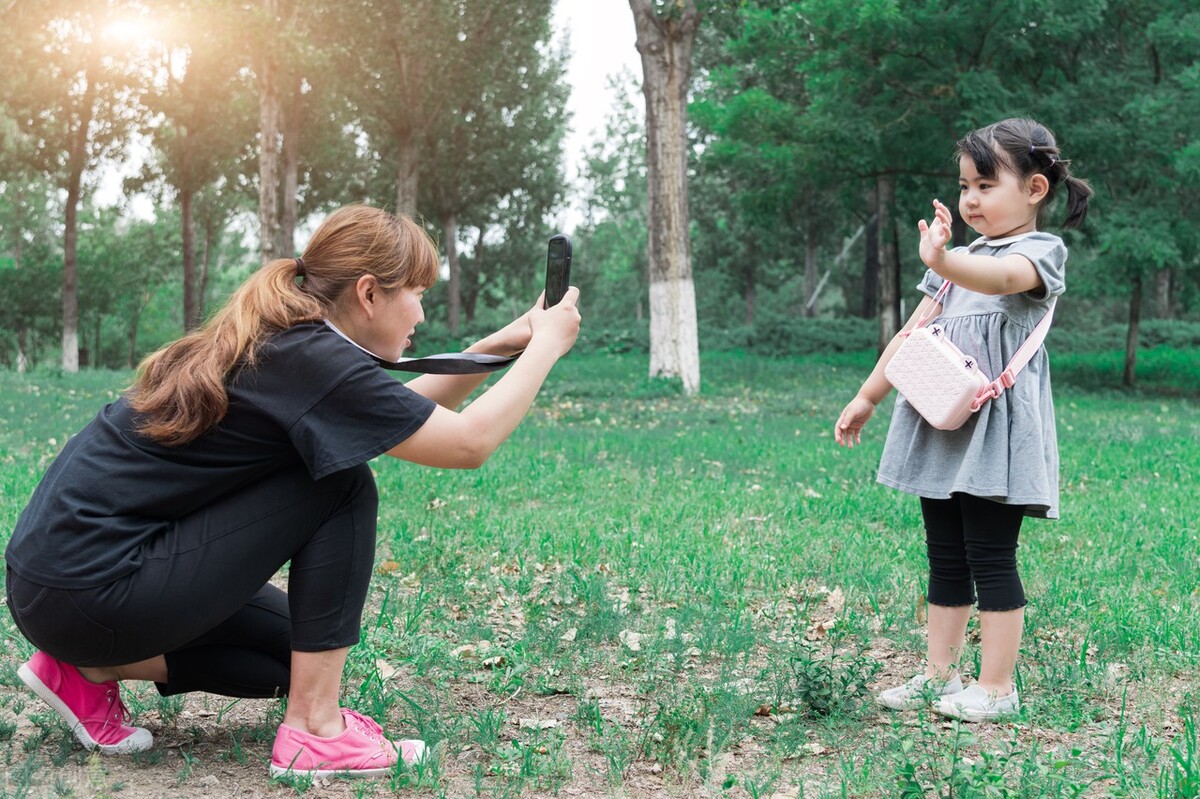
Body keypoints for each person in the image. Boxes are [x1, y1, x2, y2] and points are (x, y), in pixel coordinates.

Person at [4, 204, 581, 778]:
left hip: (56, 586)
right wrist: (546, 348)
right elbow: (468, 443)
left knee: (296, 657)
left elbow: (399, 419)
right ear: (369, 293)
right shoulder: (311, 358)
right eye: (418, 293)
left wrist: (507, 341)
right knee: (342, 485)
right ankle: (314, 732)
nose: (422, 313)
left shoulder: (288, 340)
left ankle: (86, 669)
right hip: (92, 587)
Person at [835, 118, 1091, 722]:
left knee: (990, 556)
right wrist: (868, 395)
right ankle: (938, 676)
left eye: (985, 185)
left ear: (1034, 189)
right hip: (940, 426)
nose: (970, 199)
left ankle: (997, 687)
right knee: (945, 556)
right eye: (964, 186)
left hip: (996, 434)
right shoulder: (956, 262)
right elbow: (910, 333)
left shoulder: (1039, 254)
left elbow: (1000, 279)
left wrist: (944, 259)